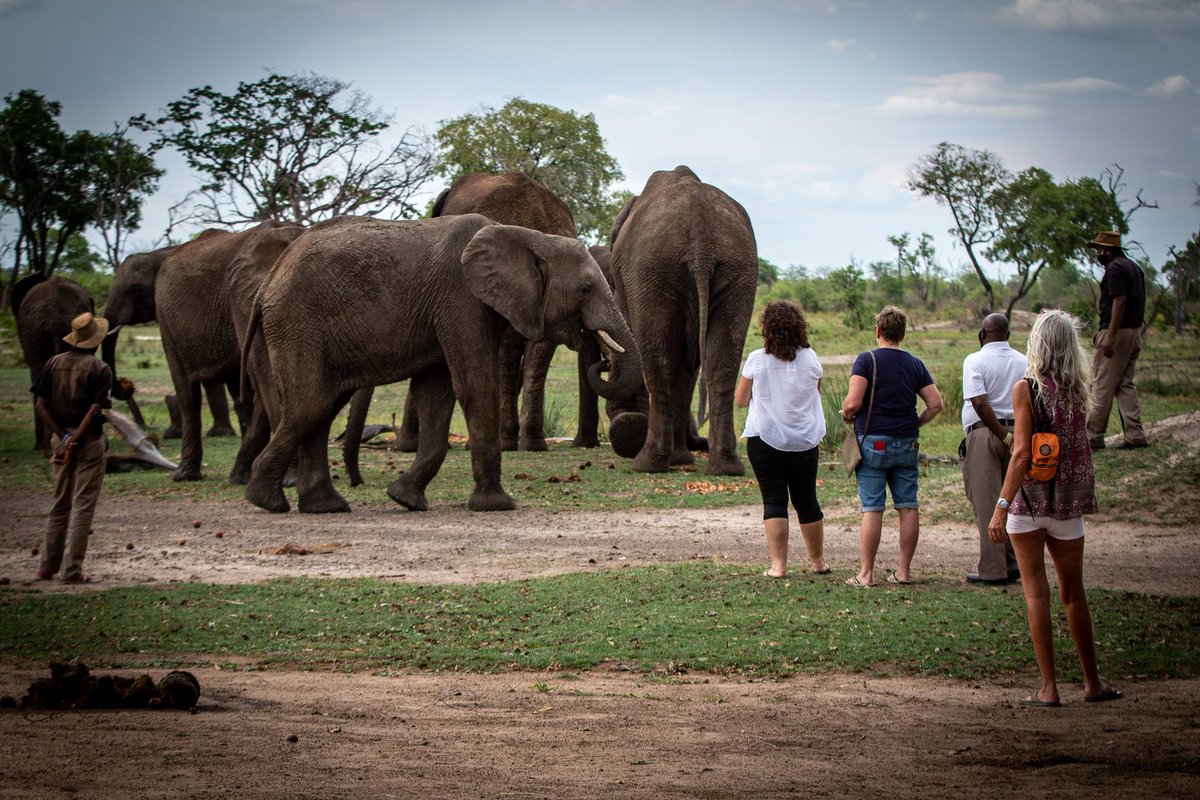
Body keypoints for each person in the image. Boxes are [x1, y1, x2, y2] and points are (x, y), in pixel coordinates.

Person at [988, 309, 1122, 707]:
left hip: (1029, 502)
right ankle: (1092, 682)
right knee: (1074, 593)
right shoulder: (1081, 390)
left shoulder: (1025, 388)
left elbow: (1021, 454)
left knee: (1036, 593)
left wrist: (1000, 506)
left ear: (1038, 344)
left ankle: (1048, 687)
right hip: (1068, 504)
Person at [840, 306, 942, 587]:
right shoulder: (915, 364)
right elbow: (936, 404)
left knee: (872, 508)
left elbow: (852, 403)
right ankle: (904, 571)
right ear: (903, 334)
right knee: (908, 506)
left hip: (873, 442)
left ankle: (866, 574)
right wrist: (915, 424)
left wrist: (847, 415)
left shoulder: (866, 360)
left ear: (878, 331)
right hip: (907, 443)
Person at [735, 301, 829, 578]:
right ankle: (818, 562)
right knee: (807, 501)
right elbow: (816, 392)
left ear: (767, 328)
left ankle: (778, 566)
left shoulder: (756, 359)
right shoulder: (811, 358)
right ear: (800, 327)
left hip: (765, 439)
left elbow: (740, 400)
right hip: (804, 440)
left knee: (774, 500)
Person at [32, 311, 113, 584]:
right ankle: (72, 571)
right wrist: (77, 438)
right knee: (82, 507)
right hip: (89, 443)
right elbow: (94, 410)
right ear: (96, 341)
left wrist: (63, 438)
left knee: (59, 505)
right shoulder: (100, 369)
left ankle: (46, 567)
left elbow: (41, 405)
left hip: (60, 441)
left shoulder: (53, 364)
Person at [961, 313, 1027, 586]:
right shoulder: (1024, 360)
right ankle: (1013, 564)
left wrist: (1002, 435)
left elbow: (979, 402)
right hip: (1019, 433)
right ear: (1008, 335)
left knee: (988, 502)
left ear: (981, 335)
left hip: (986, 435)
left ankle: (992, 569)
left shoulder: (974, 360)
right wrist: (1015, 437)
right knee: (1011, 501)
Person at [1086, 230, 1148, 450]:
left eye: (1098, 249)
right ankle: (1135, 434)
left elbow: (1119, 301)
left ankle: (1093, 436)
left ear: (1108, 250)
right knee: (1125, 384)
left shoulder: (1114, 269)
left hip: (1117, 333)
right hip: (1134, 332)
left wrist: (1110, 337)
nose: (1097, 254)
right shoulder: (1135, 268)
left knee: (1102, 384)